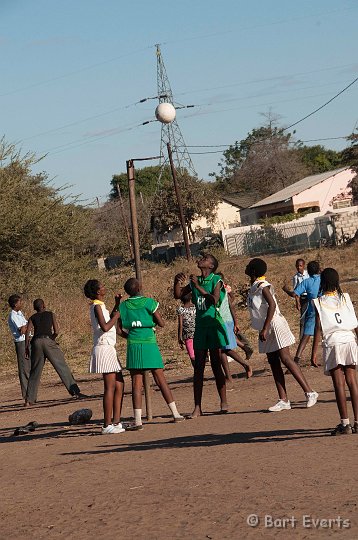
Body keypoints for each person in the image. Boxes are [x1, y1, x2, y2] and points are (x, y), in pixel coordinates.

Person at [245, 258, 318, 412]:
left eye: (248, 266)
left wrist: (265, 328)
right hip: (266, 327)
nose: (245, 267)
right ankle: (283, 399)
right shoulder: (254, 286)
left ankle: (310, 392)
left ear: (253, 271)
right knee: (273, 361)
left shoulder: (263, 286)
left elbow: (272, 305)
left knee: (286, 359)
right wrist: (263, 328)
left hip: (274, 325)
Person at [118, 278, 184, 429]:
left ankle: (138, 420)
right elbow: (161, 323)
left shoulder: (123, 306)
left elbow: (119, 329)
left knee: (136, 383)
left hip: (133, 345)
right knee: (160, 379)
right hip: (149, 343)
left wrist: (129, 335)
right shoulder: (149, 302)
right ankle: (175, 414)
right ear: (140, 287)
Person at [174, 253, 228, 417]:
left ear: (211, 266)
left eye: (205, 258)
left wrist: (197, 287)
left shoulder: (216, 280)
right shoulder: (195, 280)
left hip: (213, 325)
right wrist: (176, 281)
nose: (201, 259)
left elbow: (214, 300)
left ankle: (223, 401)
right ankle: (197, 407)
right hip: (200, 328)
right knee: (198, 368)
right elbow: (178, 295)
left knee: (216, 365)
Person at [312, 268, 358, 435]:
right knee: (352, 381)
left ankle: (345, 424)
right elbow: (355, 322)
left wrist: (313, 352)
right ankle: (357, 423)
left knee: (339, 383)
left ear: (322, 283)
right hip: (349, 339)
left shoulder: (319, 302)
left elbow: (318, 328)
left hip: (333, 342)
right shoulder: (345, 298)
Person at [84, 280, 125, 435]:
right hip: (104, 348)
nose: (104, 287)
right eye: (102, 286)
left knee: (119, 384)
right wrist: (118, 315)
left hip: (109, 347)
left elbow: (108, 319)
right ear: (97, 292)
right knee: (110, 387)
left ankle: (116, 421)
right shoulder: (96, 306)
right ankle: (106, 425)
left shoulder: (100, 305)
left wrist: (116, 304)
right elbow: (106, 326)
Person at [25, 299, 83, 406]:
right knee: (61, 366)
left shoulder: (32, 317)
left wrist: (26, 348)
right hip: (48, 340)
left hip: (36, 342)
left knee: (35, 371)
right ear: (44, 305)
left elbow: (27, 333)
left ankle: (29, 400)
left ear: (35, 308)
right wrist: (52, 339)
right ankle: (75, 392)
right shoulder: (51, 314)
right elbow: (56, 331)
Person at [215, 272, 253, 384]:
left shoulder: (223, 292)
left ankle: (244, 366)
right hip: (219, 322)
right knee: (222, 350)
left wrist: (235, 323)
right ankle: (229, 376)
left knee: (224, 349)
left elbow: (231, 307)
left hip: (225, 322)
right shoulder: (216, 292)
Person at [293, 260, 321, 367]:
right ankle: (314, 357)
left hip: (312, 309)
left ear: (307, 271)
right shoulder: (322, 279)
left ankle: (296, 360)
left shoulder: (306, 282)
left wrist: (287, 291)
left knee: (306, 335)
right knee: (325, 333)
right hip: (324, 309)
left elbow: (295, 293)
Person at [7, 294, 31, 399]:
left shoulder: (19, 313)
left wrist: (28, 326)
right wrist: (30, 325)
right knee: (23, 368)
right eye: (20, 302)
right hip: (21, 342)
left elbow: (26, 327)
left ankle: (30, 393)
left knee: (29, 366)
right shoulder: (13, 316)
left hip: (27, 340)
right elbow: (22, 330)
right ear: (15, 304)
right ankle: (26, 394)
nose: (21, 304)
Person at [282, 258, 309, 338]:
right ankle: (301, 337)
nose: (299, 267)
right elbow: (296, 291)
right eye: (297, 266)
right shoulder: (296, 277)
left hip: (311, 297)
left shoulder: (308, 274)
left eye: (300, 266)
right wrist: (297, 302)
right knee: (303, 318)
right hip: (303, 298)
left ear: (303, 266)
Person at [177, 292, 196, 367]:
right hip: (197, 333)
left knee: (192, 356)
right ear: (191, 297)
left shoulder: (181, 309)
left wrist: (179, 337)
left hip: (187, 335)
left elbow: (181, 325)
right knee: (199, 353)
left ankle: (197, 372)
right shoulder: (195, 307)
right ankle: (200, 372)